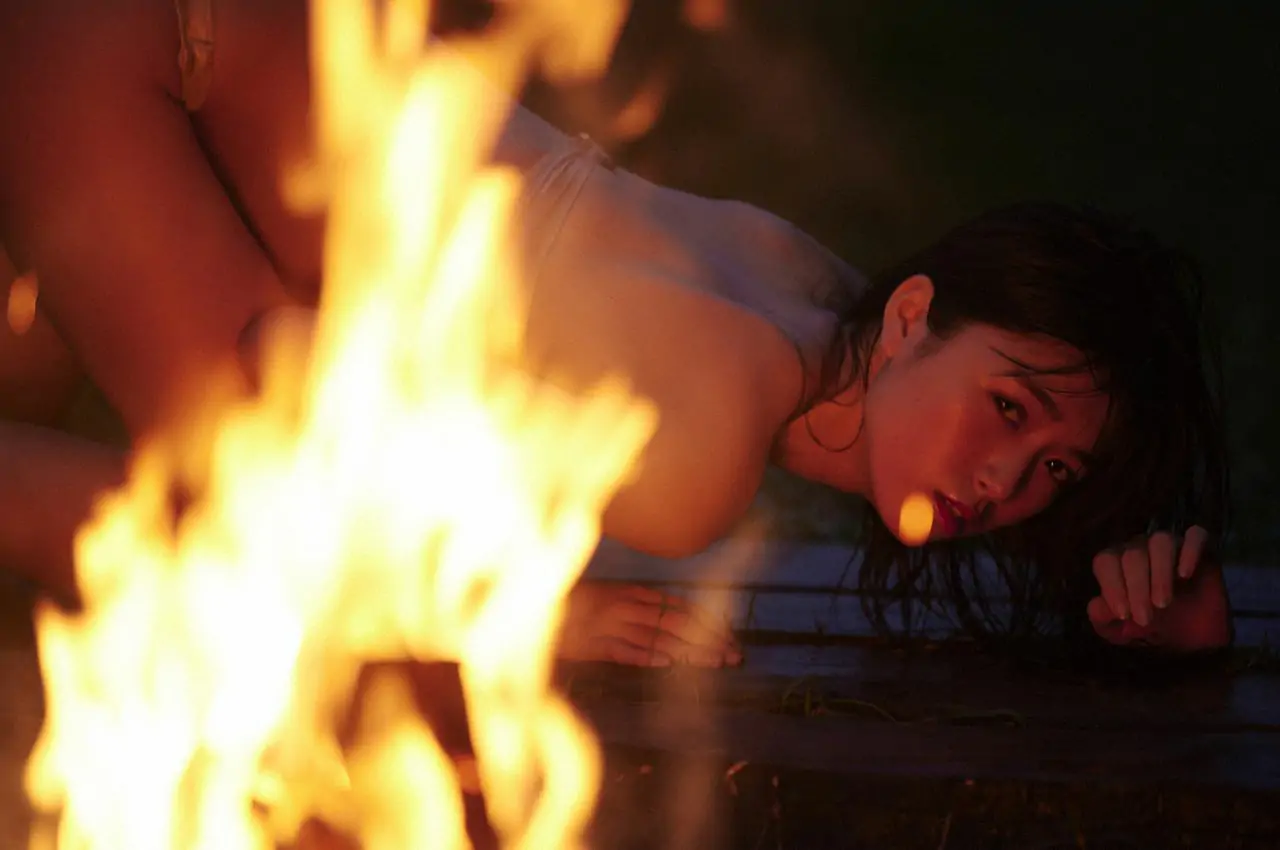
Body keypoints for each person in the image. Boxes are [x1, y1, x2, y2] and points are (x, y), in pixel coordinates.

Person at [0, 0, 1231, 666]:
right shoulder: (705, 450)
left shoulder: (812, 289)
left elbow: (965, 423)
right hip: (144, 56)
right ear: (912, 315)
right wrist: (541, 612)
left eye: (1051, 472)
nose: (1001, 481)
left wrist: (1126, 582)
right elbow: (301, 400)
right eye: (1007, 412)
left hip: (197, 63)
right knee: (238, 541)